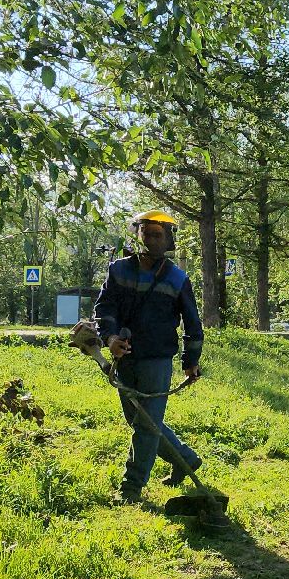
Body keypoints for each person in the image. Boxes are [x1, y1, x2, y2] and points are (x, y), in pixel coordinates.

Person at [96, 210, 205, 503]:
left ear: (168, 239)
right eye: (147, 233)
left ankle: (131, 487)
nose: (152, 240)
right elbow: (104, 308)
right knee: (140, 419)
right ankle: (186, 459)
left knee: (146, 425)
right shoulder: (118, 270)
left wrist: (190, 362)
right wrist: (111, 338)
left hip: (157, 360)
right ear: (137, 235)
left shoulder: (177, 278)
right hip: (125, 358)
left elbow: (193, 324)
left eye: (158, 235)